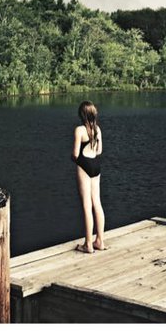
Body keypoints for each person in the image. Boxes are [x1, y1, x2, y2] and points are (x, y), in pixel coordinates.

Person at [72, 100, 106, 254]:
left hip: (84, 166)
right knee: (97, 203)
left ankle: (88, 244)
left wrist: (74, 159)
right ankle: (100, 241)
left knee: (87, 205)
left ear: (82, 115)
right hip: (96, 166)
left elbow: (75, 154)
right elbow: (99, 151)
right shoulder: (97, 129)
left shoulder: (79, 130)